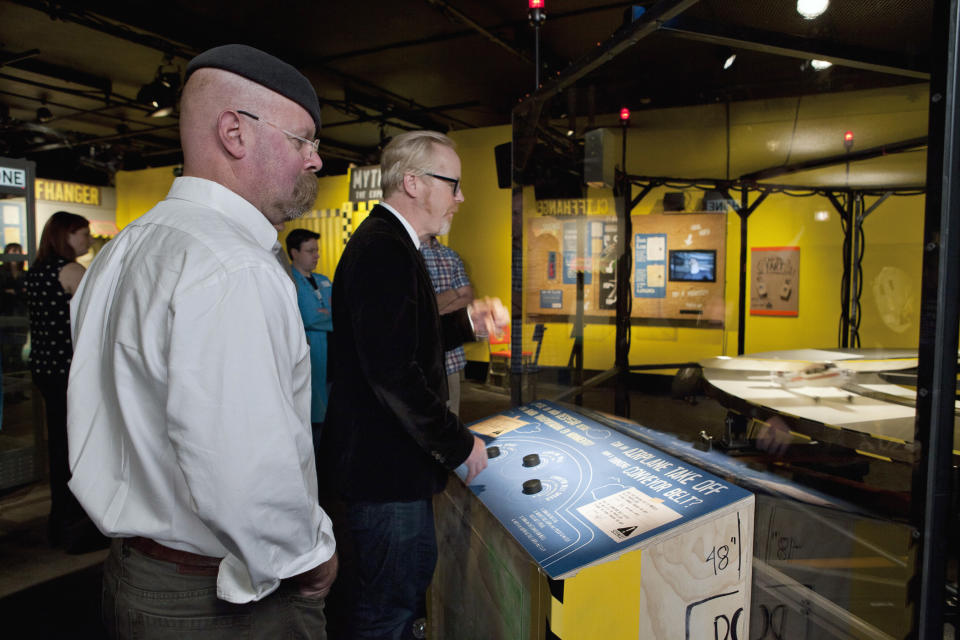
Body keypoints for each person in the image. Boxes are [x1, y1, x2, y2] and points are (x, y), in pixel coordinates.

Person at [66, 44, 337, 638]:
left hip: (135, 573)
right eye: (303, 140)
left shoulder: (125, 250)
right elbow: (246, 470)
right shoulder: (234, 267)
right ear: (234, 132)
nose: (315, 160)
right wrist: (309, 558)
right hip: (218, 597)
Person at [321, 130, 508, 639]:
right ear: (413, 184)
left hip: (388, 472)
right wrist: (455, 442)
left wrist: (468, 323)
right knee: (387, 612)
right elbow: (392, 372)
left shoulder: (394, 243)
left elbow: (403, 340)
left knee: (397, 601)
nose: (461, 197)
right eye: (453, 184)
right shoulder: (384, 249)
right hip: (385, 477)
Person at [23, 211, 103, 552]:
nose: (87, 239)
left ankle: (59, 523)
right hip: (70, 372)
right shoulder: (72, 272)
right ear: (65, 236)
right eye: (82, 233)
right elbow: (96, 321)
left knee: (59, 446)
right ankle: (76, 526)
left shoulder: (35, 273)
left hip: (44, 368)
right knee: (79, 448)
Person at [286, 228, 333, 443]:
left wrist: (328, 315)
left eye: (317, 250)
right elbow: (309, 317)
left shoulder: (323, 280)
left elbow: (342, 310)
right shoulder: (290, 282)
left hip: (332, 356)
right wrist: (331, 316)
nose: (317, 255)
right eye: (310, 250)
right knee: (313, 417)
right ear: (294, 252)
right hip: (311, 353)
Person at [420, 235, 473, 414]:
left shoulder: (451, 256)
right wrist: (453, 293)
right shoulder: (407, 255)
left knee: (452, 421)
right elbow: (415, 310)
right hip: (418, 363)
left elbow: (466, 297)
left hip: (450, 359)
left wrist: (431, 310)